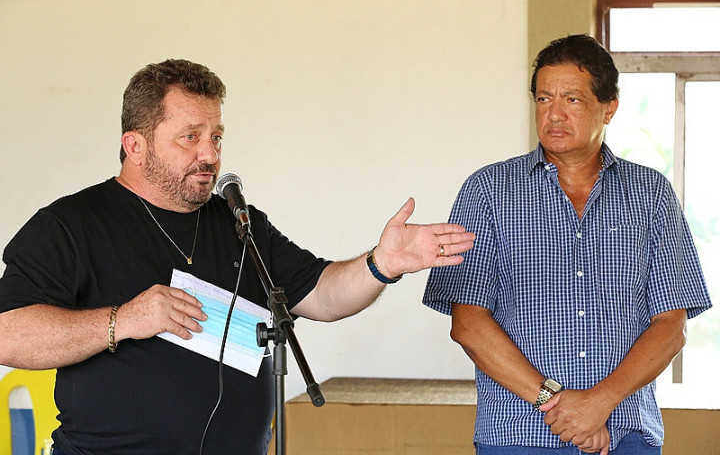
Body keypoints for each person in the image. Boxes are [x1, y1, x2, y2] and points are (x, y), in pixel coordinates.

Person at [0, 59, 476, 455]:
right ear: (135, 146)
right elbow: (9, 335)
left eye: (217, 137)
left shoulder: (239, 222)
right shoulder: (69, 225)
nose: (210, 154)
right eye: (191, 136)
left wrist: (381, 264)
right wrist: (123, 319)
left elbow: (322, 295)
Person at [423, 34, 711, 455]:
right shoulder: (488, 190)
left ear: (608, 107)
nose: (554, 114)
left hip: (626, 434)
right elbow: (467, 324)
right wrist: (561, 406)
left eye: (572, 100)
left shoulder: (651, 194)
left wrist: (599, 403)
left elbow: (672, 326)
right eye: (543, 99)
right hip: (518, 435)